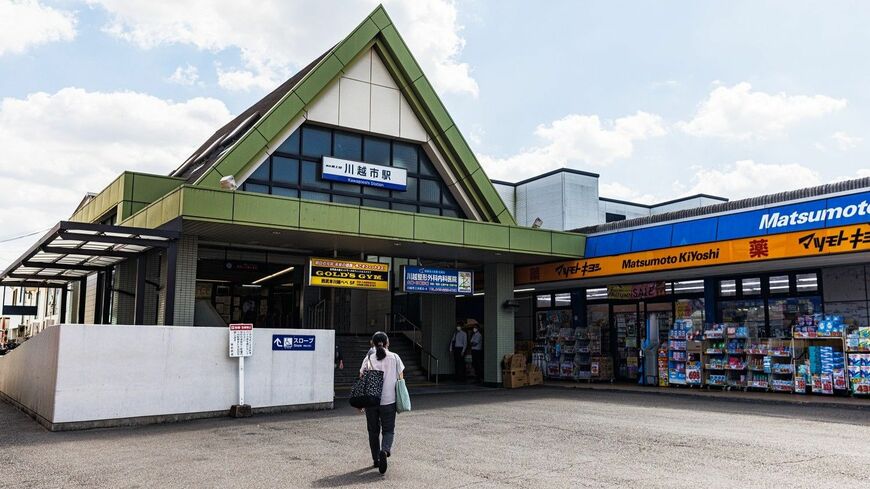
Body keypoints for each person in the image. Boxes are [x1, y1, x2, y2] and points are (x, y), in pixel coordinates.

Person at [360, 331, 404, 475]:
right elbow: (401, 377)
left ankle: (376, 459)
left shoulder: (369, 358)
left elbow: (361, 376)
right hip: (389, 401)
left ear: (372, 343)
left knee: (373, 431)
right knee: (388, 430)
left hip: (371, 401)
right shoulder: (395, 357)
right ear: (387, 343)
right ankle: (384, 450)